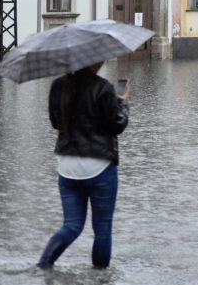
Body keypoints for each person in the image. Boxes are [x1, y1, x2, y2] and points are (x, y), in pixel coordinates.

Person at [36, 61, 129, 270]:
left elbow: (55, 122)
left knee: (71, 226)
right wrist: (122, 102)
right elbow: (117, 125)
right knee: (102, 228)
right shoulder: (103, 87)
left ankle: (43, 265)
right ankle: (100, 281)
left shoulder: (58, 85)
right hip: (100, 166)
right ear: (92, 60)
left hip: (67, 167)